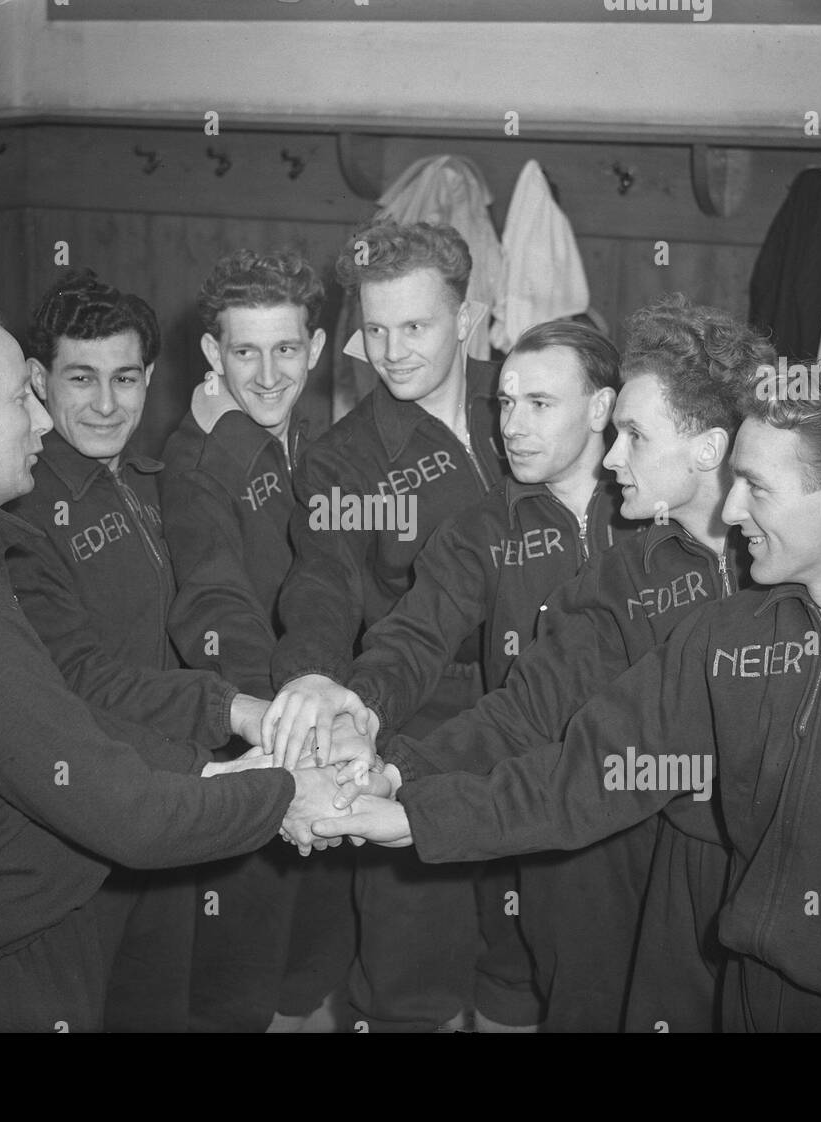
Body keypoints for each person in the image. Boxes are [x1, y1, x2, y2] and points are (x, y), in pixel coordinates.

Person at [317, 296, 821, 1031]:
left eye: (634, 435)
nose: (611, 456)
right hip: (663, 865)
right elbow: (547, 732)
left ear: (710, 449)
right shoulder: (647, 587)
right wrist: (400, 779)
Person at [0, 304, 340, 1032]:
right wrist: (285, 791)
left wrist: (211, 767)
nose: (42, 419)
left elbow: (58, 724)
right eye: (20, 398)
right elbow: (130, 816)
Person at [295, 317, 649, 1031]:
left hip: (642, 810)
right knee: (505, 981)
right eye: (507, 403)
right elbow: (411, 638)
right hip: (518, 798)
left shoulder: (652, 520)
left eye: (540, 404)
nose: (512, 425)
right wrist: (358, 709)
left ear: (601, 409)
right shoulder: (482, 530)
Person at [262, 218, 538, 1032]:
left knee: (526, 963)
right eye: (375, 330)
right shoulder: (346, 459)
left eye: (414, 326)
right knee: (410, 976)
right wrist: (315, 675)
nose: (391, 352)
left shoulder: (529, 402)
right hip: (418, 727)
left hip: (548, 719)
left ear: (467, 317)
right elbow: (323, 580)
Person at [3, 270, 268, 1031]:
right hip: (80, 829)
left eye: (125, 378)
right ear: (38, 380)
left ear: (149, 378)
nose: (106, 403)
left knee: (159, 1010)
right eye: (80, 378)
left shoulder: (153, 484)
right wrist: (233, 713)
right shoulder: (22, 513)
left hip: (173, 798)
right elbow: (78, 680)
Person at [159, 248, 354, 1032]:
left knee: (312, 961)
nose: (269, 375)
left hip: (317, 728)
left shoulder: (304, 435)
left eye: (286, 350)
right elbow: (214, 611)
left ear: (316, 348)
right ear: (213, 353)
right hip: (258, 744)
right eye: (245, 352)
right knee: (241, 982)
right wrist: (288, 731)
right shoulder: (197, 459)